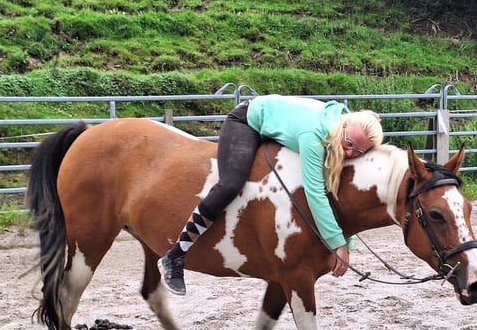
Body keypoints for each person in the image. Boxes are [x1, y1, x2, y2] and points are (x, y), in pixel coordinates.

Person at [158, 94, 384, 295]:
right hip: (247, 120)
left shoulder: (343, 131)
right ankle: (175, 255)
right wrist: (338, 245)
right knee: (230, 185)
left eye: (359, 152)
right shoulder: (313, 136)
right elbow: (316, 193)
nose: (349, 153)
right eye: (349, 144)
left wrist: (347, 242)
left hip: (277, 124)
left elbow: (333, 186)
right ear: (344, 128)